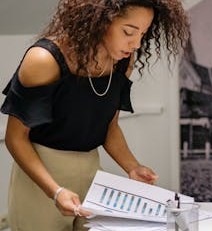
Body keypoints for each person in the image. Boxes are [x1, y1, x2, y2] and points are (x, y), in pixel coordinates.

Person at [1, 0, 189, 230]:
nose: (137, 43)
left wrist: (132, 166)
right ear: (100, 21)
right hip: (41, 178)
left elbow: (110, 129)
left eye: (143, 33)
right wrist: (55, 191)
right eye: (128, 32)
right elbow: (15, 138)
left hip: (91, 173)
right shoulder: (44, 59)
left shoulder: (123, 61)